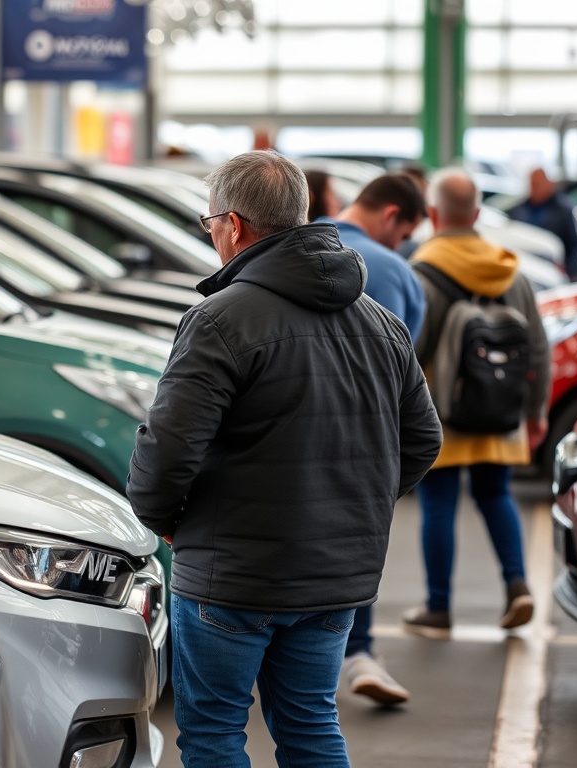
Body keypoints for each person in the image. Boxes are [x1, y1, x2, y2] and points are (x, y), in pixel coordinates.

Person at [127, 149, 442, 767]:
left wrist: (161, 516)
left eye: (209, 222)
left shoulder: (219, 320)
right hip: (335, 576)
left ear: (235, 225)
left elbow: (169, 447)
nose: (210, 234)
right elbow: (422, 440)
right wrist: (358, 506)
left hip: (230, 571)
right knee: (310, 726)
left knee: (215, 733)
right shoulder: (379, 321)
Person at [403, 167, 550, 640]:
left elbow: (409, 350)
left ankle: (438, 609)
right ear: (479, 214)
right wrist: (536, 412)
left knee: (439, 505)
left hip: (441, 412)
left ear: (432, 214)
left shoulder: (421, 272)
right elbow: (540, 347)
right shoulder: (512, 271)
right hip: (500, 410)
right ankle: (517, 585)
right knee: (496, 495)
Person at [317, 172, 427, 705]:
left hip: (280, 447)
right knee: (351, 550)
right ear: (391, 217)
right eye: (403, 232)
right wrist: (390, 481)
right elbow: (415, 406)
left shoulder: (283, 251)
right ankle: (357, 650)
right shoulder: (395, 273)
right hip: (366, 450)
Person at [319, 173, 427, 341]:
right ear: (390, 215)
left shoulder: (297, 242)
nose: (397, 247)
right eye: (404, 236)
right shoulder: (394, 271)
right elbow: (393, 360)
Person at [507, 167, 577, 279]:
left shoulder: (565, 210)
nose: (533, 188)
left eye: (537, 184)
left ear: (548, 184)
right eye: (532, 184)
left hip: (554, 271)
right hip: (526, 268)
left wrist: (572, 272)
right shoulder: (519, 209)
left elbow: (575, 243)